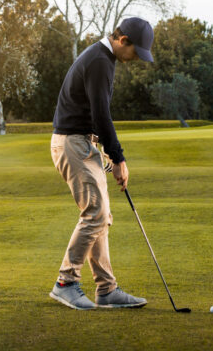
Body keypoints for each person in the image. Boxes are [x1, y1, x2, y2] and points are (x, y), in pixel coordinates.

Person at [49, 17, 154, 310]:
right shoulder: (99, 60)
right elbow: (101, 113)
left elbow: (95, 116)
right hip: (73, 143)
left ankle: (106, 289)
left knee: (101, 216)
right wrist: (118, 158)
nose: (135, 59)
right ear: (123, 41)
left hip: (83, 141)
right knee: (95, 212)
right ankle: (65, 283)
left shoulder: (104, 58)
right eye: (135, 52)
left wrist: (105, 151)